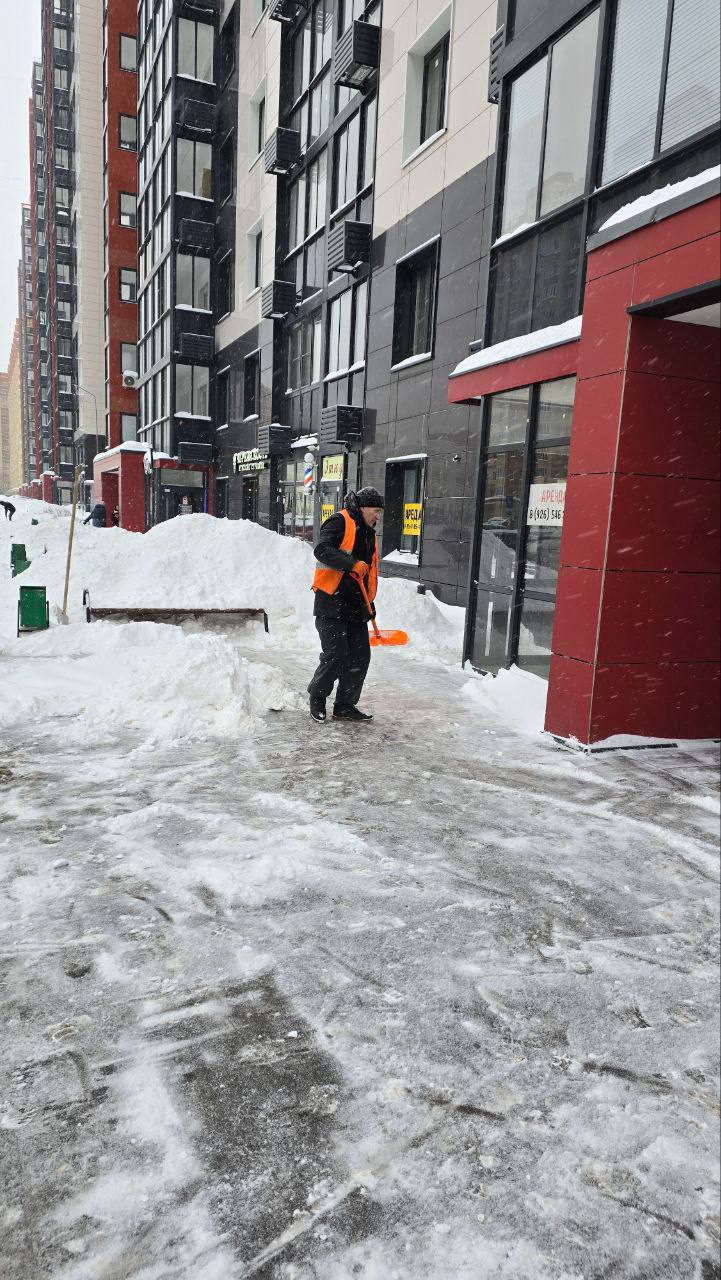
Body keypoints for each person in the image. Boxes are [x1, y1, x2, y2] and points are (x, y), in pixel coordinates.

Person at [308, 487, 384, 724]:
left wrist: (369, 603)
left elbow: (367, 572)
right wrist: (350, 563)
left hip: (356, 605)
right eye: (375, 510)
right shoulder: (340, 521)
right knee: (336, 655)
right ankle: (317, 699)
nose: (378, 516)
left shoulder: (369, 533)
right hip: (331, 602)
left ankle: (344, 705)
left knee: (360, 656)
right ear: (363, 508)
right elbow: (322, 550)